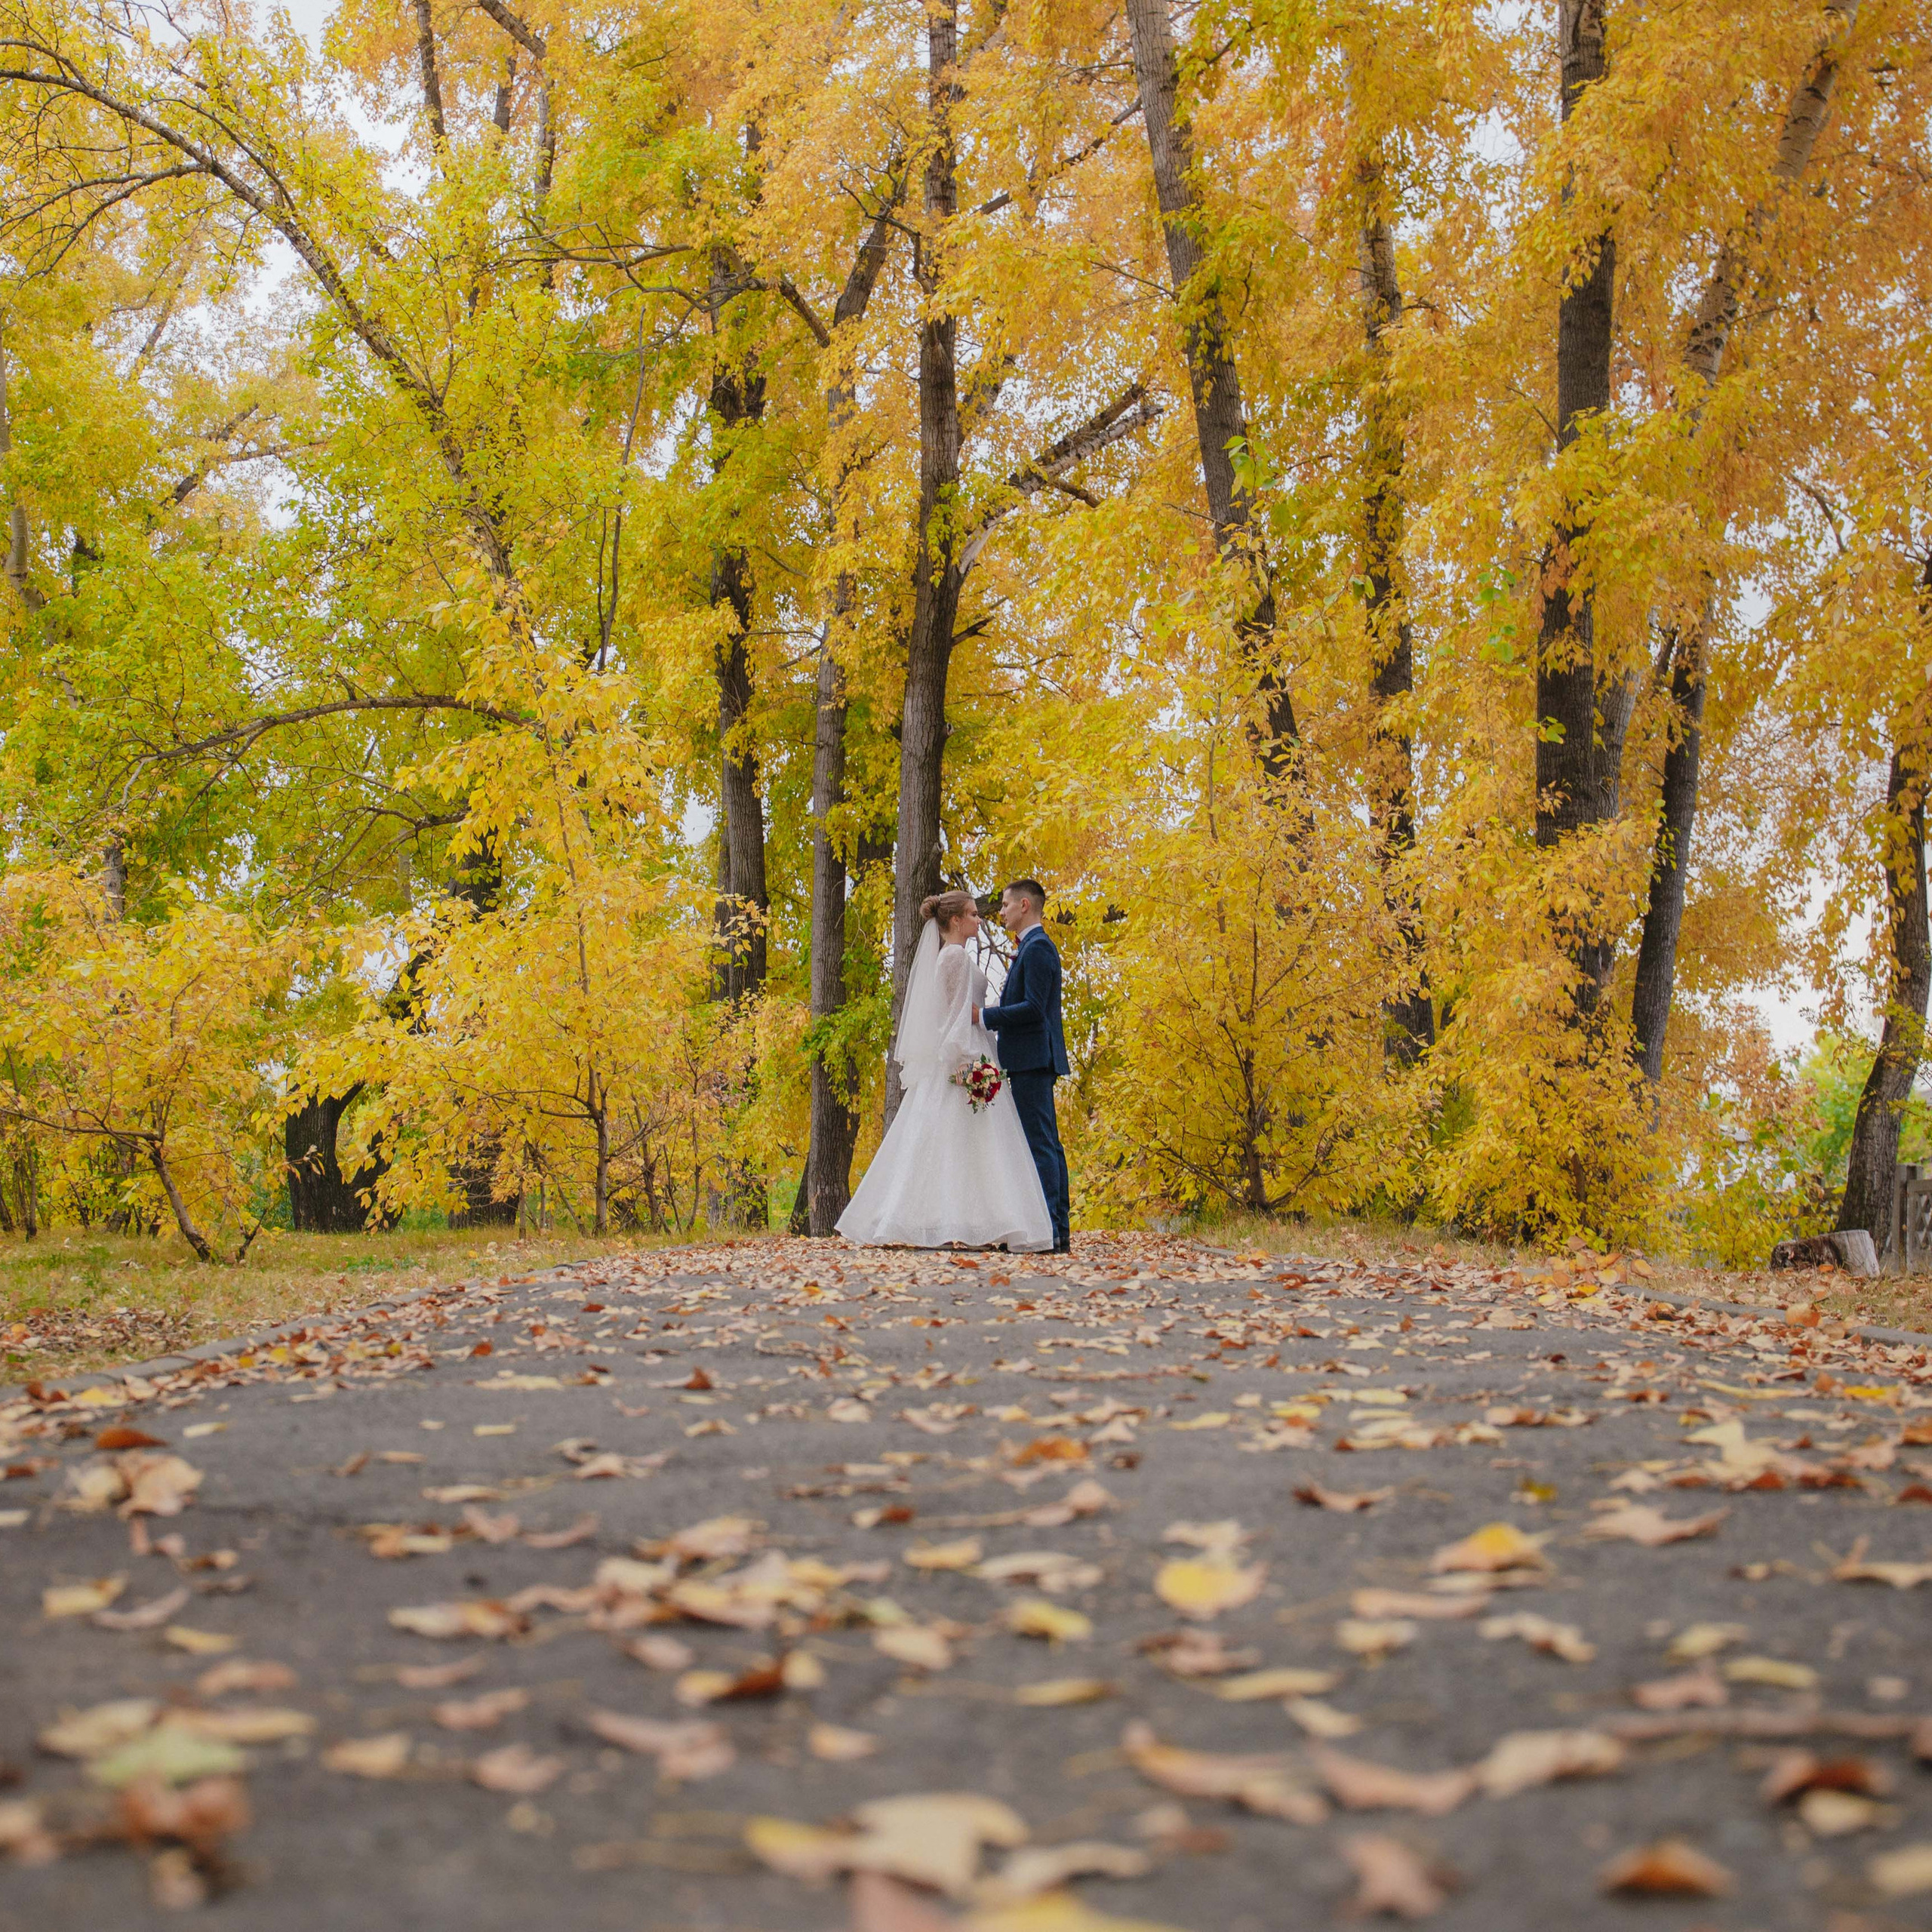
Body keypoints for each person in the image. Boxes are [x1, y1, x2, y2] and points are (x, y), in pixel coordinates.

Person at [836, 889, 1054, 1251]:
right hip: (965, 1055)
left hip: (974, 1048)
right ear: (955, 921)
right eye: (972, 914)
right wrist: (968, 1064)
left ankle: (971, 1221)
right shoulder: (952, 956)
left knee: (966, 1143)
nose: (979, 919)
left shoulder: (954, 956)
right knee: (957, 1140)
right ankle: (954, 1222)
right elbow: (952, 1021)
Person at [977, 878, 1071, 1253]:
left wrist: (984, 1017)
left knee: (1041, 1145)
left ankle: (1050, 1231)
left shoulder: (1038, 949)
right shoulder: (1031, 948)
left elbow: (1034, 1007)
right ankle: (1055, 1230)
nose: (1000, 911)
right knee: (1045, 1143)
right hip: (1030, 1059)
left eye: (1004, 905)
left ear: (1025, 906)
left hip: (1034, 1059)